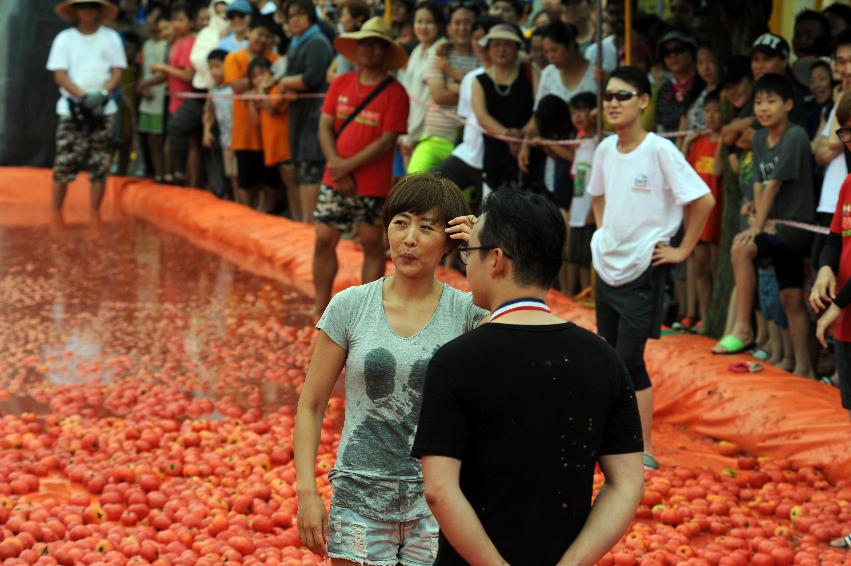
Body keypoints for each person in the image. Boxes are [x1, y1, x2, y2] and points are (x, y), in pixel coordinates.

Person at [411, 190, 645, 565]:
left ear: (496, 260)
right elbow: (627, 482)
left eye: (469, 253)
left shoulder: (456, 360)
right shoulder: (603, 358)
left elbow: (439, 488)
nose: (465, 265)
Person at [294, 174, 488, 564]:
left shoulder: (469, 314)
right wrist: (307, 493)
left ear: (451, 241)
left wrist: (481, 247)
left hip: (437, 503)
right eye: (400, 222)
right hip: (358, 498)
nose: (409, 238)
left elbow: (514, 328)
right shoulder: (350, 307)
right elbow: (311, 406)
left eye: (427, 227)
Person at [589, 66, 715, 470]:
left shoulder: (659, 149)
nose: (613, 103)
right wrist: (604, 235)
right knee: (609, 354)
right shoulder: (606, 149)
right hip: (607, 264)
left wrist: (682, 250)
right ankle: (610, 437)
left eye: (623, 95)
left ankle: (644, 447)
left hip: (644, 266)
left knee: (629, 358)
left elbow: (704, 200)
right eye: (608, 96)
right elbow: (597, 196)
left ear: (643, 101)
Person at [713, 74, 815, 378]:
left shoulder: (795, 135)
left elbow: (774, 185)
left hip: (795, 228)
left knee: (742, 249)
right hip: (771, 224)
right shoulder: (758, 138)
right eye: (759, 102)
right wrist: (757, 215)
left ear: (788, 104)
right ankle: (804, 368)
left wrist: (756, 227)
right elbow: (758, 183)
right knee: (790, 296)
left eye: (771, 101)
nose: (764, 108)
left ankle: (743, 328)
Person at [314, 17, 410, 319]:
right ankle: (320, 306)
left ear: (387, 52)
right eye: (364, 44)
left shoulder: (396, 93)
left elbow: (386, 142)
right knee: (323, 239)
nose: (369, 51)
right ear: (356, 50)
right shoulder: (340, 83)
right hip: (334, 177)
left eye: (377, 45)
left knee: (371, 243)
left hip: (371, 182)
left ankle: (366, 315)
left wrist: (345, 168)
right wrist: (336, 165)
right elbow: (324, 126)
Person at [47, 0, 127, 212]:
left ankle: (95, 215)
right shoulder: (65, 39)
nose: (88, 10)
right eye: (83, 6)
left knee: (100, 164)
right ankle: (56, 213)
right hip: (72, 109)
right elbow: (59, 75)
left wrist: (102, 94)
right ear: (75, 10)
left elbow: (118, 71)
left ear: (99, 10)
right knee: (64, 162)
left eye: (92, 6)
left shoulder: (110, 38)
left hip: (103, 108)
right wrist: (82, 97)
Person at [433, 14, 501, 213]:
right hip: (467, 153)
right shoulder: (471, 77)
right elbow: (465, 117)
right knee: (432, 192)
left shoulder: (515, 76)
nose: (480, 44)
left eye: (484, 39)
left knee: (489, 215)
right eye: (475, 39)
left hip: (495, 160)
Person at [812, 91, 851, 429]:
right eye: (847, 132)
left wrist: (838, 303)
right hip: (847, 325)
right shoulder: (848, 184)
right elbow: (835, 237)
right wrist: (826, 268)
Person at [407, 0, 480, 174]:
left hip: (468, 143)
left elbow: (483, 97)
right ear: (448, 27)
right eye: (457, 23)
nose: (462, 28)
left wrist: (452, 79)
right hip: (433, 137)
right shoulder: (439, 52)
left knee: (459, 199)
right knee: (410, 187)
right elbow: (439, 96)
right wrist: (469, 93)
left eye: (467, 23)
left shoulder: (482, 57)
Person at [278, 0, 335, 223]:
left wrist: (285, 83)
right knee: (303, 167)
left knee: (311, 166)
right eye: (291, 15)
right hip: (299, 113)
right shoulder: (296, 41)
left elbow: (312, 77)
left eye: (300, 14)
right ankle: (305, 222)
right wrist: (288, 86)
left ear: (310, 16)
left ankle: (310, 224)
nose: (295, 20)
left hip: (314, 115)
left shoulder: (317, 41)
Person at [472, 24, 538, 194]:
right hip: (495, 156)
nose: (501, 50)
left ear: (516, 48)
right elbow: (482, 117)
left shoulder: (531, 72)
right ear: (488, 49)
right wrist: (510, 137)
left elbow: (539, 109)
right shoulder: (479, 80)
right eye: (496, 45)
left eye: (507, 45)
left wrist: (522, 136)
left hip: (529, 151)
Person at [223, 15, 279, 207]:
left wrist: (256, 82)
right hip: (244, 132)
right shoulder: (233, 58)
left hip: (270, 133)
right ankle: (247, 216)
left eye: (267, 36)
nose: (262, 40)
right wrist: (265, 78)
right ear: (249, 33)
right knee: (246, 183)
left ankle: (266, 215)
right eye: (259, 34)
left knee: (270, 182)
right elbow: (235, 85)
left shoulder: (275, 58)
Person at [682, 90, 723, 331]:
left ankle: (715, 320)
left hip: (717, 215)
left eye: (716, 111)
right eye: (707, 111)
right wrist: (687, 143)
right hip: (698, 215)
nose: (711, 116)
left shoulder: (724, 142)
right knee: (700, 268)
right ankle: (704, 318)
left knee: (716, 268)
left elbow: (717, 171)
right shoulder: (699, 142)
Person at [153, 2, 197, 186]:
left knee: (191, 142)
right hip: (174, 98)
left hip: (186, 100)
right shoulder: (176, 43)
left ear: (192, 23)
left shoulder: (190, 43)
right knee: (177, 140)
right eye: (174, 20)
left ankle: (190, 183)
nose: (176, 24)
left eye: (181, 20)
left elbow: (188, 75)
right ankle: (177, 177)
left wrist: (164, 67)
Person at [398, 2, 446, 170]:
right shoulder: (418, 50)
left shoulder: (441, 50)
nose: (423, 27)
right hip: (410, 128)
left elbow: (427, 99)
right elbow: (409, 93)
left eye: (429, 22)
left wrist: (410, 135)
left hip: (429, 133)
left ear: (439, 25)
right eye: (419, 21)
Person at [248, 56, 294, 213]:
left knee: (292, 183)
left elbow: (272, 110)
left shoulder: (276, 89)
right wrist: (252, 103)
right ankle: (296, 218)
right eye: (254, 77)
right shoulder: (263, 94)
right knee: (287, 184)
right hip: (273, 147)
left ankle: (302, 218)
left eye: (262, 73)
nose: (259, 79)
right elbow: (256, 123)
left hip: (285, 145)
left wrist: (261, 92)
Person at [565, 91, 598, 297]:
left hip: (590, 209)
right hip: (577, 207)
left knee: (588, 257)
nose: (577, 116)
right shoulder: (581, 141)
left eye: (583, 111)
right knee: (576, 256)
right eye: (573, 112)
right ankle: (581, 294)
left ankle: (590, 295)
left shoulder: (599, 140)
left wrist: (593, 208)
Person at [137, 5, 170, 183]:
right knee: (150, 138)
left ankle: (165, 175)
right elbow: (143, 69)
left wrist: (145, 84)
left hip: (161, 95)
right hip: (147, 96)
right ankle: (156, 174)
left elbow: (165, 73)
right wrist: (143, 87)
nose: (152, 22)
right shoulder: (147, 44)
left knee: (160, 138)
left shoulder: (167, 45)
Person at [203, 49, 237, 200]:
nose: (214, 71)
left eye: (217, 66)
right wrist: (206, 131)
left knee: (239, 174)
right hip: (225, 138)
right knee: (231, 173)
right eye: (211, 68)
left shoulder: (234, 88)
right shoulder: (213, 89)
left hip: (238, 138)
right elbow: (208, 112)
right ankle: (235, 202)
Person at [655, 29, 704, 134]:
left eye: (678, 49)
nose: (673, 55)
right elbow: (660, 127)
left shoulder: (704, 83)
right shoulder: (664, 91)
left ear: (691, 52)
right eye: (667, 53)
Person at [326, 0, 371, 82]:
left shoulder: (359, 46)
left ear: (359, 19)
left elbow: (340, 77)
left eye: (344, 15)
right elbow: (329, 74)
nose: (341, 20)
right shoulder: (346, 43)